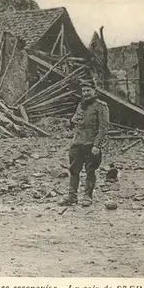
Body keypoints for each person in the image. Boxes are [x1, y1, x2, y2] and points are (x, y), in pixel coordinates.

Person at [58, 78, 110, 207]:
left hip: (91, 145)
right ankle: (72, 197)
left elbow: (104, 128)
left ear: (94, 91)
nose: (86, 93)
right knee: (73, 170)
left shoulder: (101, 106)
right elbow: (76, 122)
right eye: (84, 91)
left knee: (90, 170)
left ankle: (87, 196)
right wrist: (70, 122)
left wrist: (97, 145)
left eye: (88, 90)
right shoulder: (80, 105)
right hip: (77, 143)